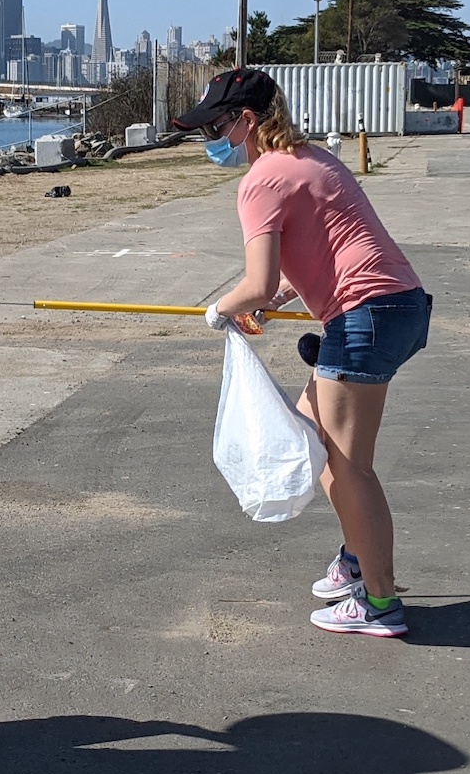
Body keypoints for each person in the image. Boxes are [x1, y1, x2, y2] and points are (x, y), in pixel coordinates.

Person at [175, 67, 431, 639]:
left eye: (215, 127)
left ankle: (379, 603)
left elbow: (258, 281)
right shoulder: (312, 158)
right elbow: (323, 250)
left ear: (246, 121)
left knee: (346, 469)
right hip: (396, 306)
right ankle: (357, 562)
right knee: (316, 444)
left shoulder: (262, 179)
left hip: (365, 316)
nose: (210, 140)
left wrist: (222, 308)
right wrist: (276, 299)